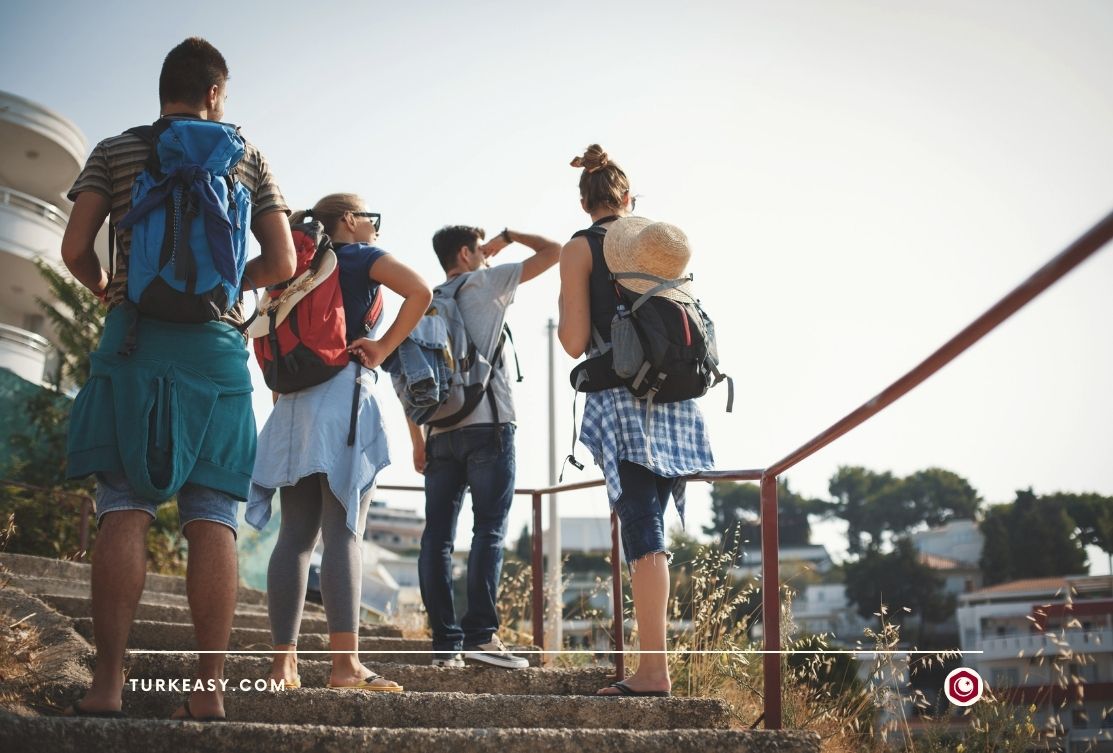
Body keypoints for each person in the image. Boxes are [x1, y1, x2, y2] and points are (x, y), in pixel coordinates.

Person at [60, 37, 297, 721]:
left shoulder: (116, 148)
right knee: (214, 516)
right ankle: (209, 688)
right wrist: (230, 285)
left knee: (122, 506)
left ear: (163, 88)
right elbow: (280, 258)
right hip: (216, 351)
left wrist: (109, 285)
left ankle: (107, 683)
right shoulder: (246, 156)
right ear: (215, 93)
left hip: (131, 340)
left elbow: (74, 247)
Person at [246, 193, 431, 691]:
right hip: (341, 399)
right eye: (370, 219)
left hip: (292, 406)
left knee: (294, 537)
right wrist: (383, 347)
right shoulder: (358, 257)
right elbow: (420, 291)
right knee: (344, 531)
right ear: (348, 220)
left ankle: (282, 666)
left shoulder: (296, 269)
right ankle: (345, 666)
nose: (374, 229)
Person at [556, 144, 715, 696]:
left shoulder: (580, 249)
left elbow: (575, 342)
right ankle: (654, 667)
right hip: (677, 399)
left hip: (622, 403)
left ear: (585, 203)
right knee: (655, 532)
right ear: (628, 198)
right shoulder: (657, 241)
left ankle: (653, 672)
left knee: (643, 533)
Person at [410, 224, 560, 668]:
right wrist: (509, 235)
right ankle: (480, 638)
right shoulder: (484, 282)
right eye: (481, 250)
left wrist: (418, 439)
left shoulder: (424, 298)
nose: (488, 256)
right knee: (488, 531)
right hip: (488, 428)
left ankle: (445, 645)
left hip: (438, 434)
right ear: (466, 252)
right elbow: (555, 250)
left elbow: (408, 375)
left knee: (436, 539)